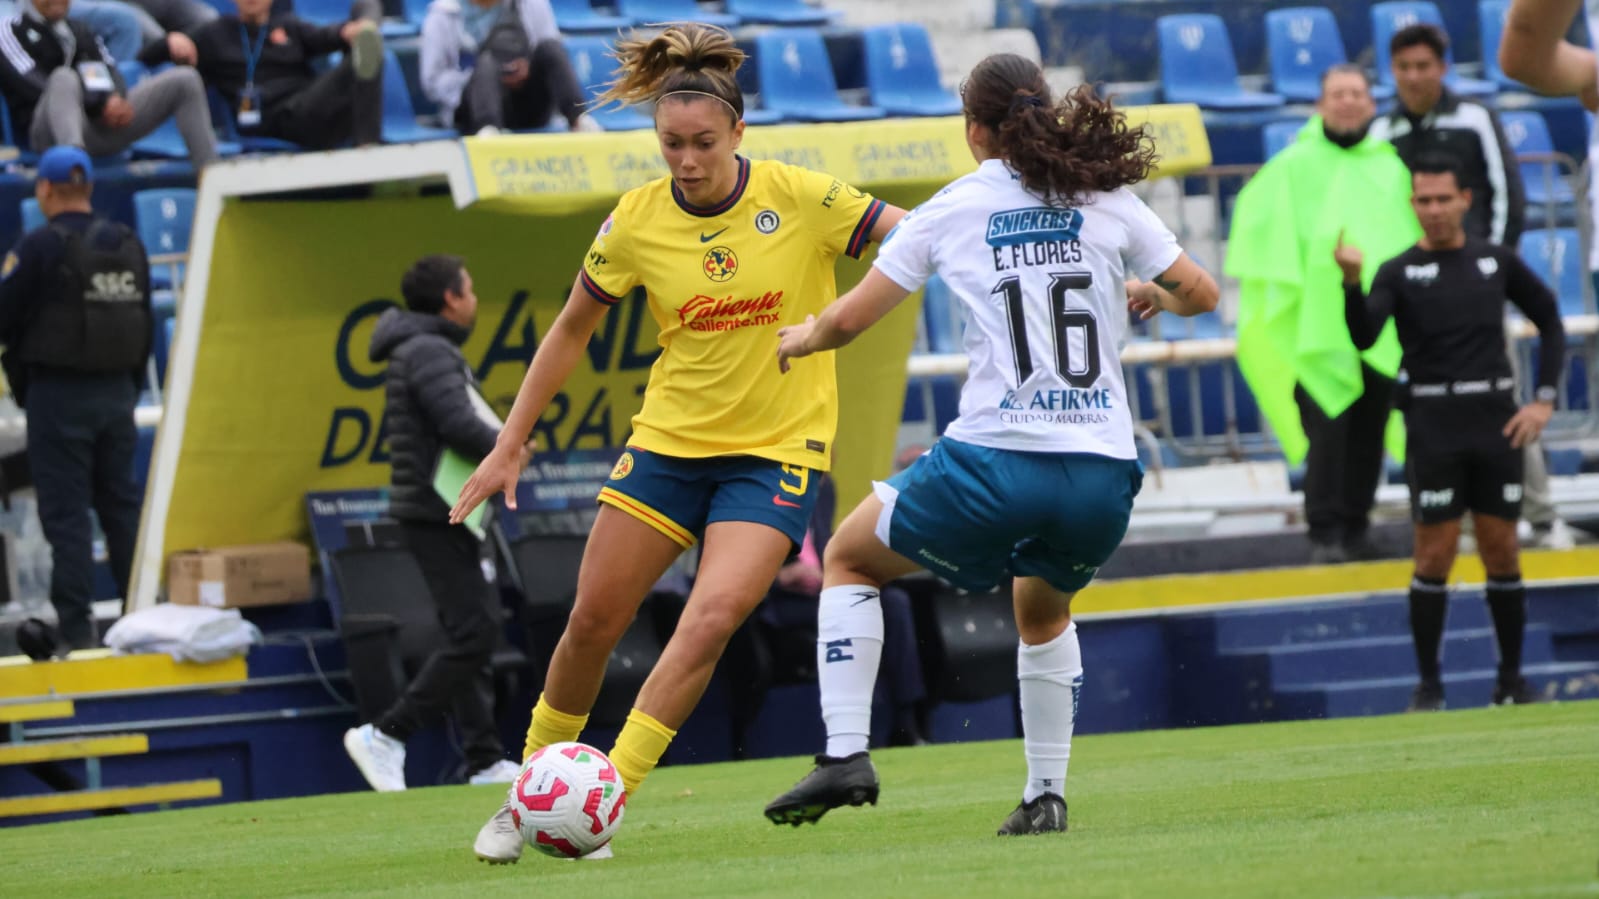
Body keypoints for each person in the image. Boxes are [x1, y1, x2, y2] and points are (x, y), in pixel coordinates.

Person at [447, 22, 901, 863]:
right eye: (669, 145)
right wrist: (510, 441)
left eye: (701, 143)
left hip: (776, 452)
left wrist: (836, 322)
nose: (685, 160)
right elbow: (570, 330)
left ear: (737, 133)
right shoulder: (636, 219)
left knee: (712, 616)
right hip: (668, 444)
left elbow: (915, 240)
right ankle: (530, 796)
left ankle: (600, 799)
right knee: (590, 622)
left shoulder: (801, 196)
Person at [763, 52, 1219, 835]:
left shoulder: (952, 207)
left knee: (846, 557)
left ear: (973, 130)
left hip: (997, 458)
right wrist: (1150, 295)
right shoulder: (1104, 198)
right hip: (1102, 472)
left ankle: (844, 750)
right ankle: (1046, 794)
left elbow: (850, 318)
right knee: (1041, 612)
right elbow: (1201, 292)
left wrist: (804, 335)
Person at [1338, 156, 1562, 710]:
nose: (1434, 210)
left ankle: (1511, 682)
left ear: (1465, 199)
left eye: (1443, 199)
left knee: (1502, 550)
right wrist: (1349, 282)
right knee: (1434, 554)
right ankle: (1429, 687)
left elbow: (1551, 318)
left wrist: (1543, 401)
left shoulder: (1495, 261)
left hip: (1495, 424)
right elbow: (1365, 336)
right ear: (1412, 205)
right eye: (1423, 200)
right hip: (1433, 425)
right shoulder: (1396, 270)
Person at [342, 255, 523, 791]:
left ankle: (484, 759)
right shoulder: (428, 350)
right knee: (476, 630)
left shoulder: (423, 348)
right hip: (439, 509)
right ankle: (387, 734)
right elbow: (458, 424)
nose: (474, 299)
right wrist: (510, 447)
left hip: (444, 509)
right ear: (450, 298)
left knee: (468, 629)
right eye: (469, 289)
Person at [1226, 65, 1419, 564]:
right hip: (1315, 325)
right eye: (1338, 94)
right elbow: (1257, 223)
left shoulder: (1391, 167)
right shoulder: (1291, 167)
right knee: (1328, 434)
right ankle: (1325, 533)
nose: (1348, 102)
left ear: (1372, 104)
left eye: (1357, 93)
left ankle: (1357, 528)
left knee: (1371, 428)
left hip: (1378, 325)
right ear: (1320, 104)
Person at [0, 146, 151, 650]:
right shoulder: (127, 242)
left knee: (66, 517)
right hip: (118, 395)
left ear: (44, 189)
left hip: (58, 398)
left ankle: (75, 633)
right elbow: (146, 322)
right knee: (122, 510)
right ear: (87, 188)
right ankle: (141, 620)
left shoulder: (40, 246)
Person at [137, 0, 384, 149]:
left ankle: (367, 144)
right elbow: (144, 56)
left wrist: (353, 31)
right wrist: (171, 41)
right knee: (365, 54)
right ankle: (367, 146)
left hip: (312, 110)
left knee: (366, 45)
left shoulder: (289, 26)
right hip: (277, 119)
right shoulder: (215, 33)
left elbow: (330, 36)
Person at [0, 0, 217, 165]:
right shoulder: (11, 30)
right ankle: (75, 178)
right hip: (48, 135)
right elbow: (33, 86)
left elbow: (110, 69)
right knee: (63, 79)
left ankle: (212, 178)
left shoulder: (79, 29)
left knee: (185, 80)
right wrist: (98, 103)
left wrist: (116, 98)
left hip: (97, 124)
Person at [419, 0, 598, 135]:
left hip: (527, 102)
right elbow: (433, 81)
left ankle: (579, 120)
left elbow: (548, 55)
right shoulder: (442, 15)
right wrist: (480, 79)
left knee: (550, 47)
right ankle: (488, 131)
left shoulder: (531, 4)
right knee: (487, 63)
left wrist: (526, 68)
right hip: (473, 110)